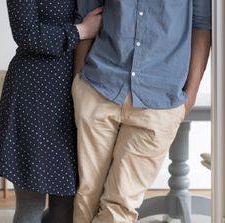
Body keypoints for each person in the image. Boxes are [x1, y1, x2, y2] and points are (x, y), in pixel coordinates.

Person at [72, 0, 212, 222]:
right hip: (99, 85)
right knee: (87, 195)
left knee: (121, 204)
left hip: (160, 99)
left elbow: (202, 26)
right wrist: (79, 78)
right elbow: (87, 13)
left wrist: (191, 94)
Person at [0, 0, 102, 222]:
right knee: (31, 205)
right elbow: (27, 34)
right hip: (33, 96)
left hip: (80, 95)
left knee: (66, 208)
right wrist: (82, 30)